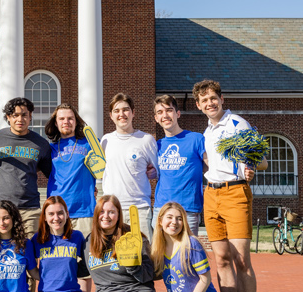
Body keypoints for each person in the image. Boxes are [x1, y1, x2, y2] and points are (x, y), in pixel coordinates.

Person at [194, 79, 267, 292]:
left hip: (235, 193)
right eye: (204, 100)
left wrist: (250, 169)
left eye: (213, 98)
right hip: (211, 196)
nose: (209, 103)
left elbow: (262, 161)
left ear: (221, 99)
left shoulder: (237, 124)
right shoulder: (206, 133)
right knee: (222, 259)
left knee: (241, 259)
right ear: (199, 106)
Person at [84, 195, 156, 292]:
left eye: (111, 212)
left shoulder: (133, 236)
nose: (106, 216)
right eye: (102, 211)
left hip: (137, 290)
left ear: (118, 215)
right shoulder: (89, 241)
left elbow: (149, 275)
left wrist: (133, 265)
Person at [151, 202, 221, 292]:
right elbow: (153, 274)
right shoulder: (158, 248)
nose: (174, 222)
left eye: (179, 218)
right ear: (160, 221)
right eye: (170, 217)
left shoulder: (191, 244)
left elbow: (205, 279)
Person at [0, 97, 52, 237]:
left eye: (24, 115)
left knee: (29, 250)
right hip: (2, 207)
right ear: (8, 118)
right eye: (15, 115)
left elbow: (52, 175)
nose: (20, 119)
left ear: (30, 117)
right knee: (3, 251)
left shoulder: (40, 143)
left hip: (30, 208)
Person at [100, 93, 159, 239]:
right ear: (111, 115)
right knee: (115, 257)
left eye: (126, 110)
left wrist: (153, 172)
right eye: (116, 111)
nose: (122, 114)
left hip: (139, 209)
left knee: (144, 256)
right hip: (112, 210)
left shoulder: (146, 140)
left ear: (133, 113)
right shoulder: (106, 141)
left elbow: (158, 172)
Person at [30, 196, 87, 292]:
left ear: (67, 214)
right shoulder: (37, 239)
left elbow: (85, 270)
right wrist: (46, 278)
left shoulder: (77, 237)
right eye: (51, 214)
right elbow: (31, 268)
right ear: (44, 216)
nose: (56, 218)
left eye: (60, 213)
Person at [153, 95, 206, 235]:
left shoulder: (196, 139)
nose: (165, 115)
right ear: (156, 118)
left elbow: (211, 168)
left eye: (169, 110)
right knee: (159, 255)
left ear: (177, 113)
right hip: (161, 209)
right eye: (160, 112)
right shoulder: (157, 146)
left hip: (188, 209)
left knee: (187, 254)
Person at [45, 103, 97, 238]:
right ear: (56, 123)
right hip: (57, 213)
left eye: (70, 118)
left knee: (86, 257)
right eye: (61, 119)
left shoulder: (89, 143)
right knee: (60, 256)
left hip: (85, 211)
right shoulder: (49, 148)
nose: (66, 122)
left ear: (76, 121)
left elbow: (107, 164)